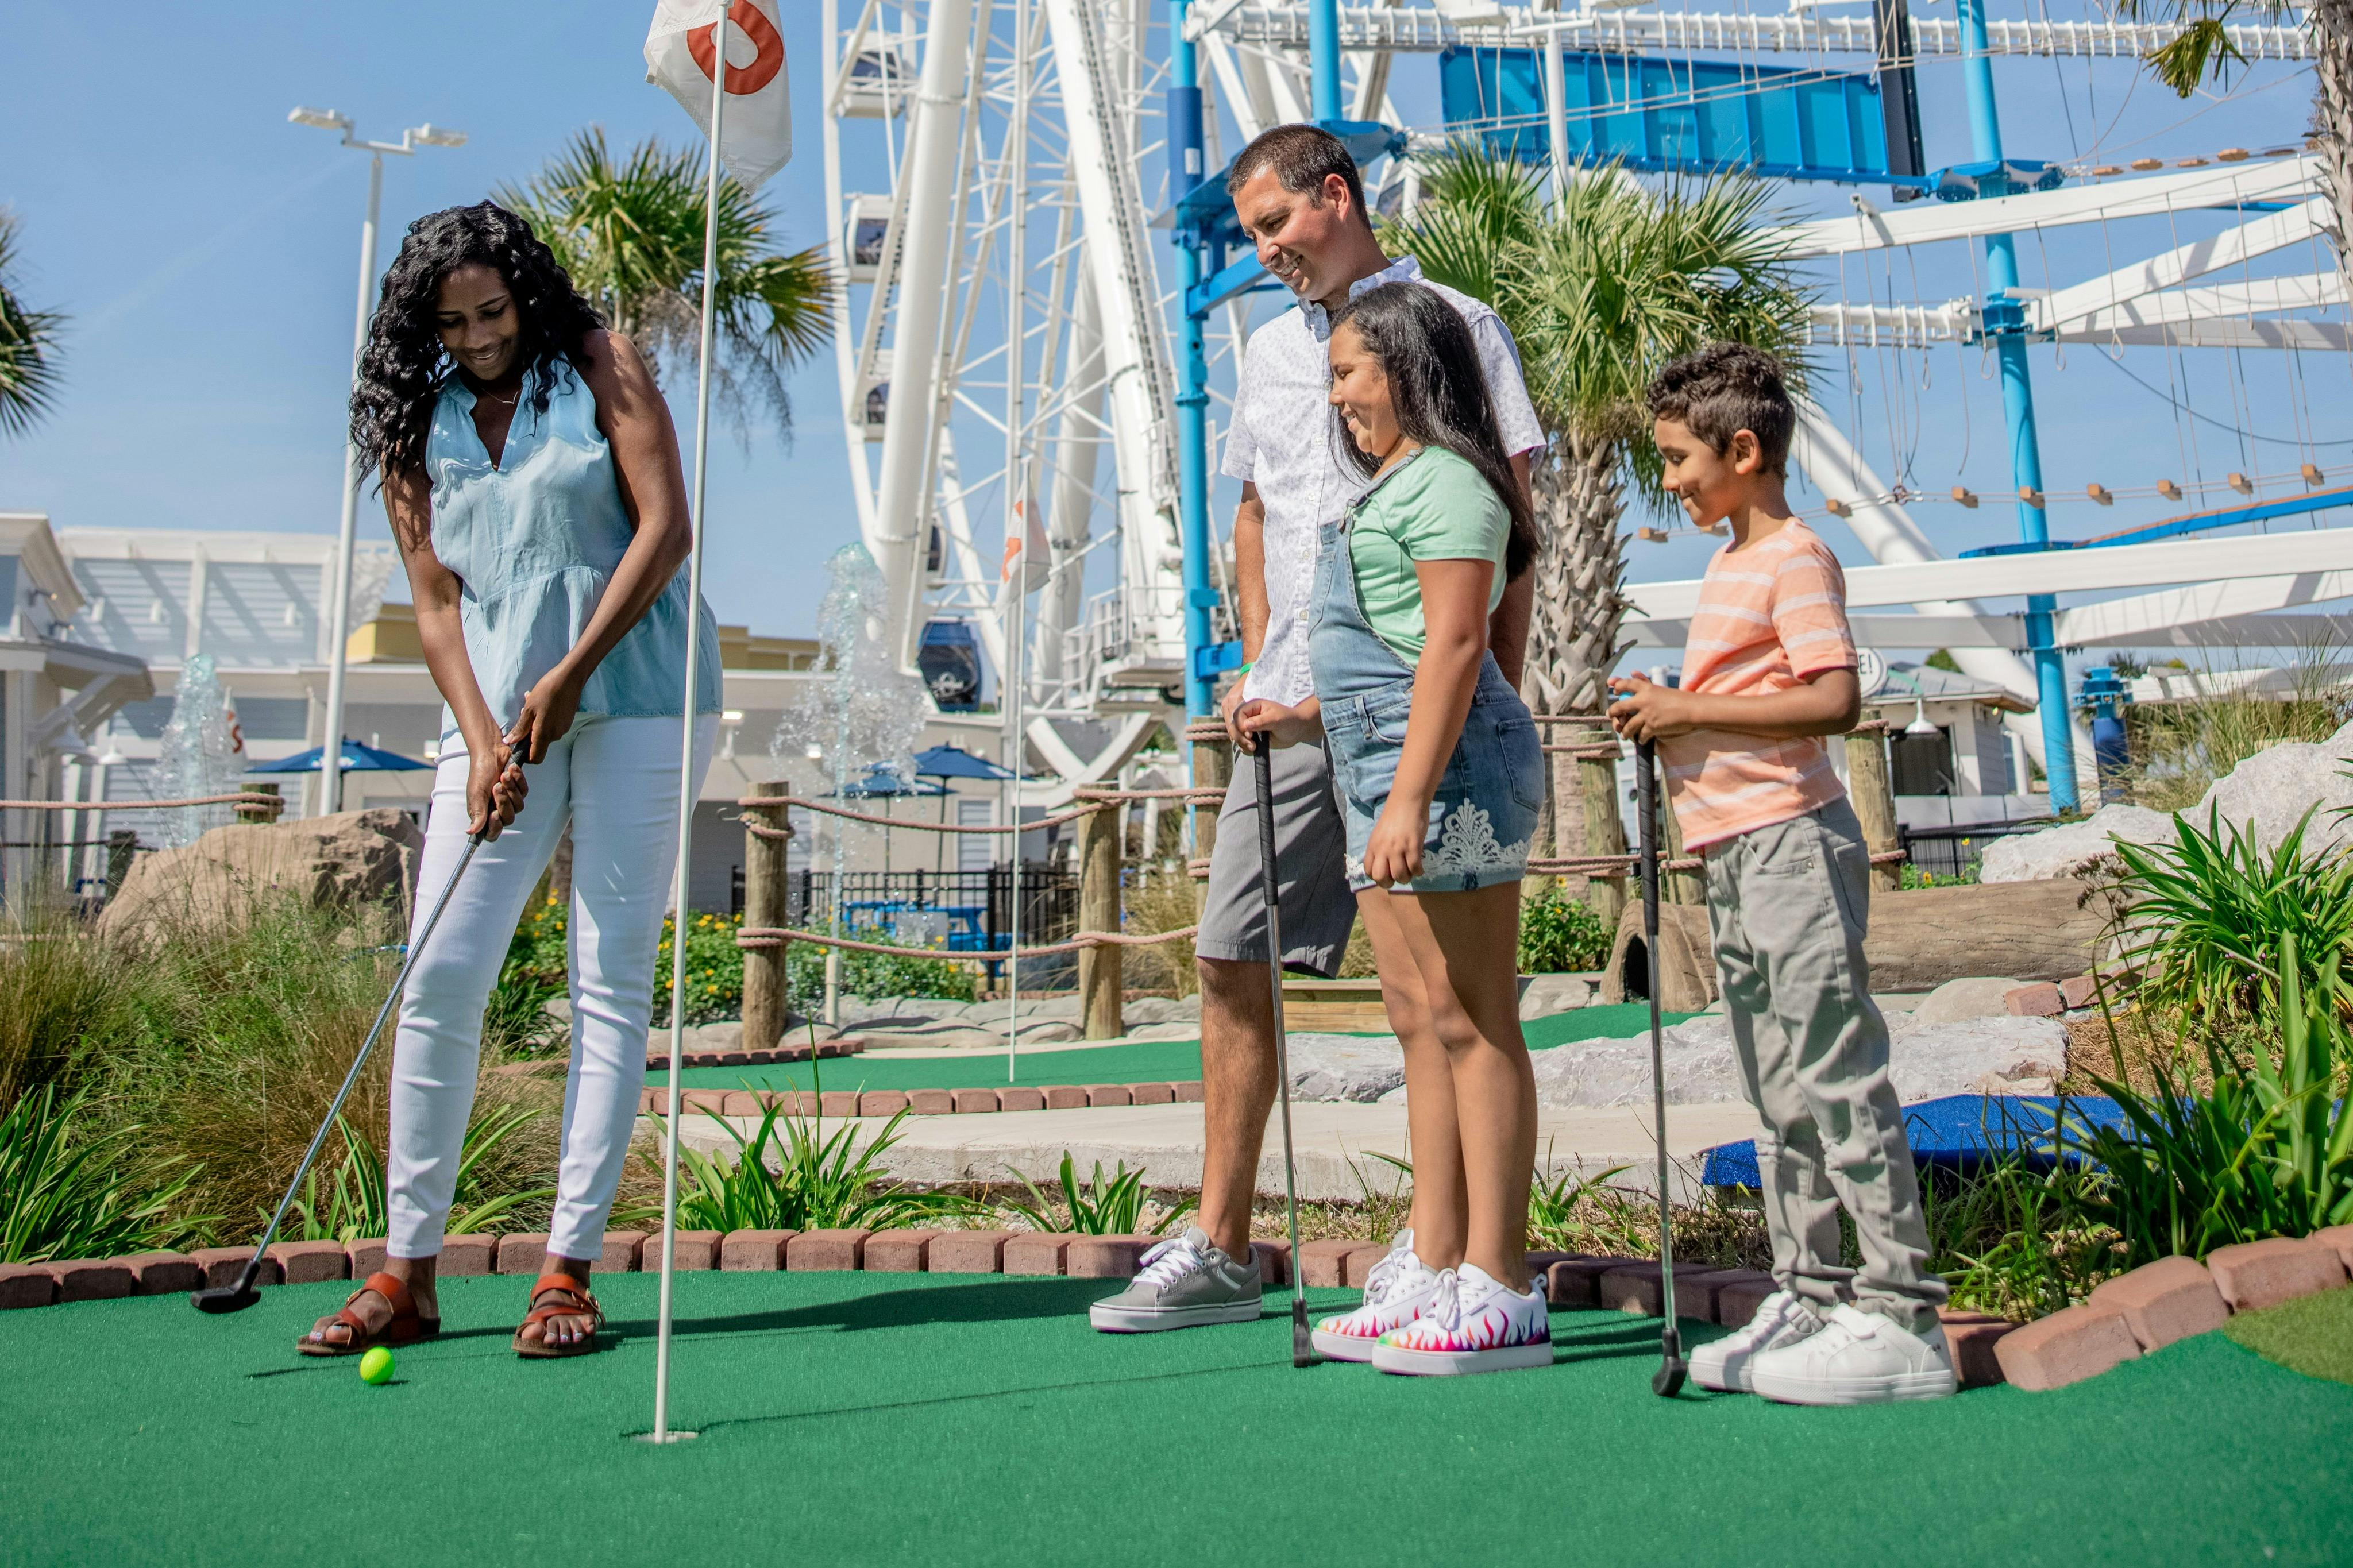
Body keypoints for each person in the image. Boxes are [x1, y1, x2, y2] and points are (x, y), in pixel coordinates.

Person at [1089, 123, 1545, 1342]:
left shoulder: (1457, 323)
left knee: (1441, 998)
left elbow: (1507, 516)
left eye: (1275, 225)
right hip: (1294, 702)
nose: (1266, 252)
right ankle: (1224, 1240)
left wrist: (1480, 705)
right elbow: (1253, 510)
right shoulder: (1261, 352)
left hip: (1417, 701)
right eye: (1250, 236)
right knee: (1233, 949)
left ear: (1334, 195)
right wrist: (1254, 657)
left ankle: (1456, 1253)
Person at [298, 202, 720, 1361]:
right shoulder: (409, 421)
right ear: (420, 324)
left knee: (607, 977)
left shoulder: (598, 363)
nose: (481, 337)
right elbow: (436, 605)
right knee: (439, 974)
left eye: (494, 311)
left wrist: (574, 672)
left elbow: (664, 530)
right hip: (495, 719)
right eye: (454, 322)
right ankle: (407, 1273)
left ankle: (566, 1274)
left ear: (525, 292)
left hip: (637, 696)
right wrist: (480, 737)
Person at [1607, 342, 1953, 1404]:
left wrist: (1689, 709)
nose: (1667, 481)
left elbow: (1835, 698)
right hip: (1732, 847)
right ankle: (1812, 1287)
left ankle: (1905, 1313)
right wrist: (1669, 700)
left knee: (1834, 1066)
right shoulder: (1727, 565)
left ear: (1743, 450)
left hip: (1792, 841)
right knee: (1777, 1085)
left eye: (1677, 461)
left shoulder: (1796, 555)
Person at [1243, 283, 1552, 1374]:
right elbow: (1381, 640)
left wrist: (1414, 797)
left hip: (1451, 772)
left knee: (1475, 1020)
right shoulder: (1386, 490)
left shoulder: (1454, 487)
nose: (1335, 399)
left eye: (1346, 375)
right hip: (1383, 770)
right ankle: (1434, 1258)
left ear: (1406, 371)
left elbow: (1458, 648)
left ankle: (1502, 1279)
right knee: (1421, 1023)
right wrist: (1306, 714)